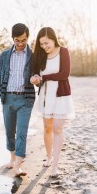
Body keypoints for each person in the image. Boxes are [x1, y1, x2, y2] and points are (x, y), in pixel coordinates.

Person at [30, 27, 75, 177]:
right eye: (41, 44)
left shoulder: (64, 51)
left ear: (53, 39)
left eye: (46, 43)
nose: (44, 46)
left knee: (57, 128)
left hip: (60, 96)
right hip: (44, 96)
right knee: (47, 128)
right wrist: (35, 79)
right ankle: (49, 157)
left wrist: (45, 77)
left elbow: (65, 74)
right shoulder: (40, 56)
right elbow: (36, 75)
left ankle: (55, 166)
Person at [0, 23, 35, 177]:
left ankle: (18, 165)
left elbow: (38, 75)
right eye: (17, 40)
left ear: (27, 38)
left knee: (22, 132)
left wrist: (36, 79)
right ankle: (12, 158)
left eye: (23, 40)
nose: (20, 43)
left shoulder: (33, 56)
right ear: (13, 39)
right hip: (8, 98)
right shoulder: (4, 55)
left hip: (26, 99)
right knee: (10, 132)